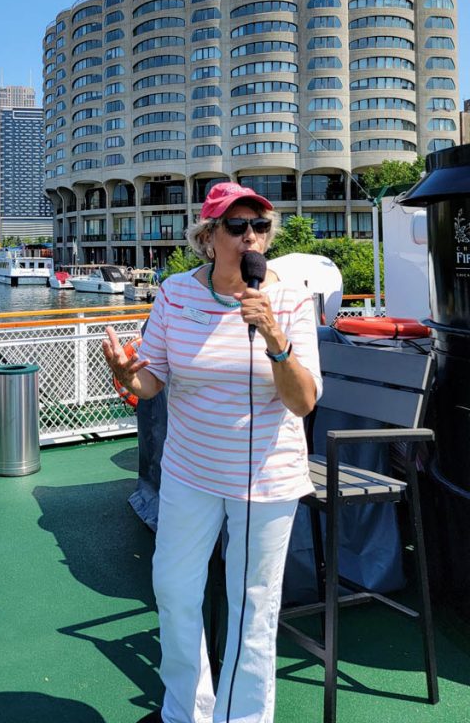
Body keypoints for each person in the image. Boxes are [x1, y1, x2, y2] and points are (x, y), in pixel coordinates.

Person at [102, 181, 321, 723]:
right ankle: (185, 711)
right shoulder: (176, 293)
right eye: (237, 226)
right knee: (174, 591)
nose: (251, 237)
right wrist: (127, 376)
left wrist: (274, 337)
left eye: (260, 226)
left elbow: (304, 401)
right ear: (208, 237)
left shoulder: (289, 297)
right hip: (189, 471)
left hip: (264, 479)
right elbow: (152, 381)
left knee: (254, 606)